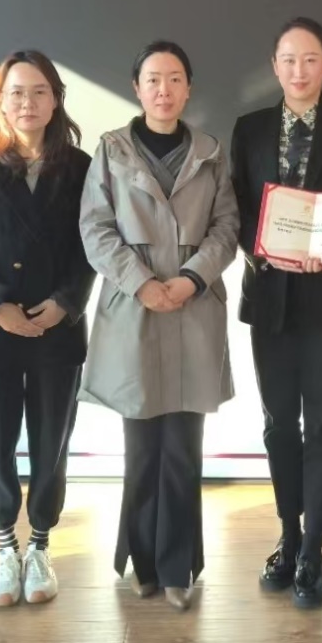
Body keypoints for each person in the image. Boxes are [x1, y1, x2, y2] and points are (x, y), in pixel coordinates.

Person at [79, 40, 240, 611]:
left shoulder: (211, 153)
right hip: (135, 308)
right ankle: (142, 564)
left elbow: (227, 227)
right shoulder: (111, 150)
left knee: (184, 448)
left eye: (174, 79)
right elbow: (95, 229)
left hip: (193, 308)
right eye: (153, 79)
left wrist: (192, 279)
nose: (163, 89)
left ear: (188, 88)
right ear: (137, 88)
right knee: (142, 446)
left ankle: (178, 568)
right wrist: (143, 282)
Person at [230, 17, 322, 608]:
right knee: (277, 423)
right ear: (274, 65)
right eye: (288, 59)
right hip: (271, 294)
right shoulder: (249, 128)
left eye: (310, 59)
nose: (299, 70)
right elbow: (237, 207)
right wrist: (264, 246)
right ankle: (287, 534)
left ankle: (314, 547)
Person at [0, 49, 96, 608]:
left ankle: (42, 547)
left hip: (58, 328)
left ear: (55, 100)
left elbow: (93, 243)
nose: (27, 103)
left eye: (38, 91)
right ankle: (6, 547)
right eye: (16, 93)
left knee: (52, 443)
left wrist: (65, 302)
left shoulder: (80, 168)